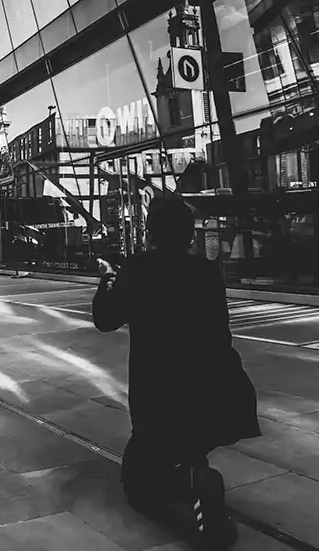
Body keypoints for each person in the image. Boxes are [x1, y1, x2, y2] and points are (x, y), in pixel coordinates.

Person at [92, 197, 260, 551]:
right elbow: (220, 328)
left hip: (157, 383)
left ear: (151, 232)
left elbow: (105, 320)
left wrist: (108, 278)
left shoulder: (140, 267)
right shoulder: (204, 270)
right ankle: (197, 469)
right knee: (190, 436)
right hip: (213, 380)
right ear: (188, 234)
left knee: (136, 484)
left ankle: (191, 480)